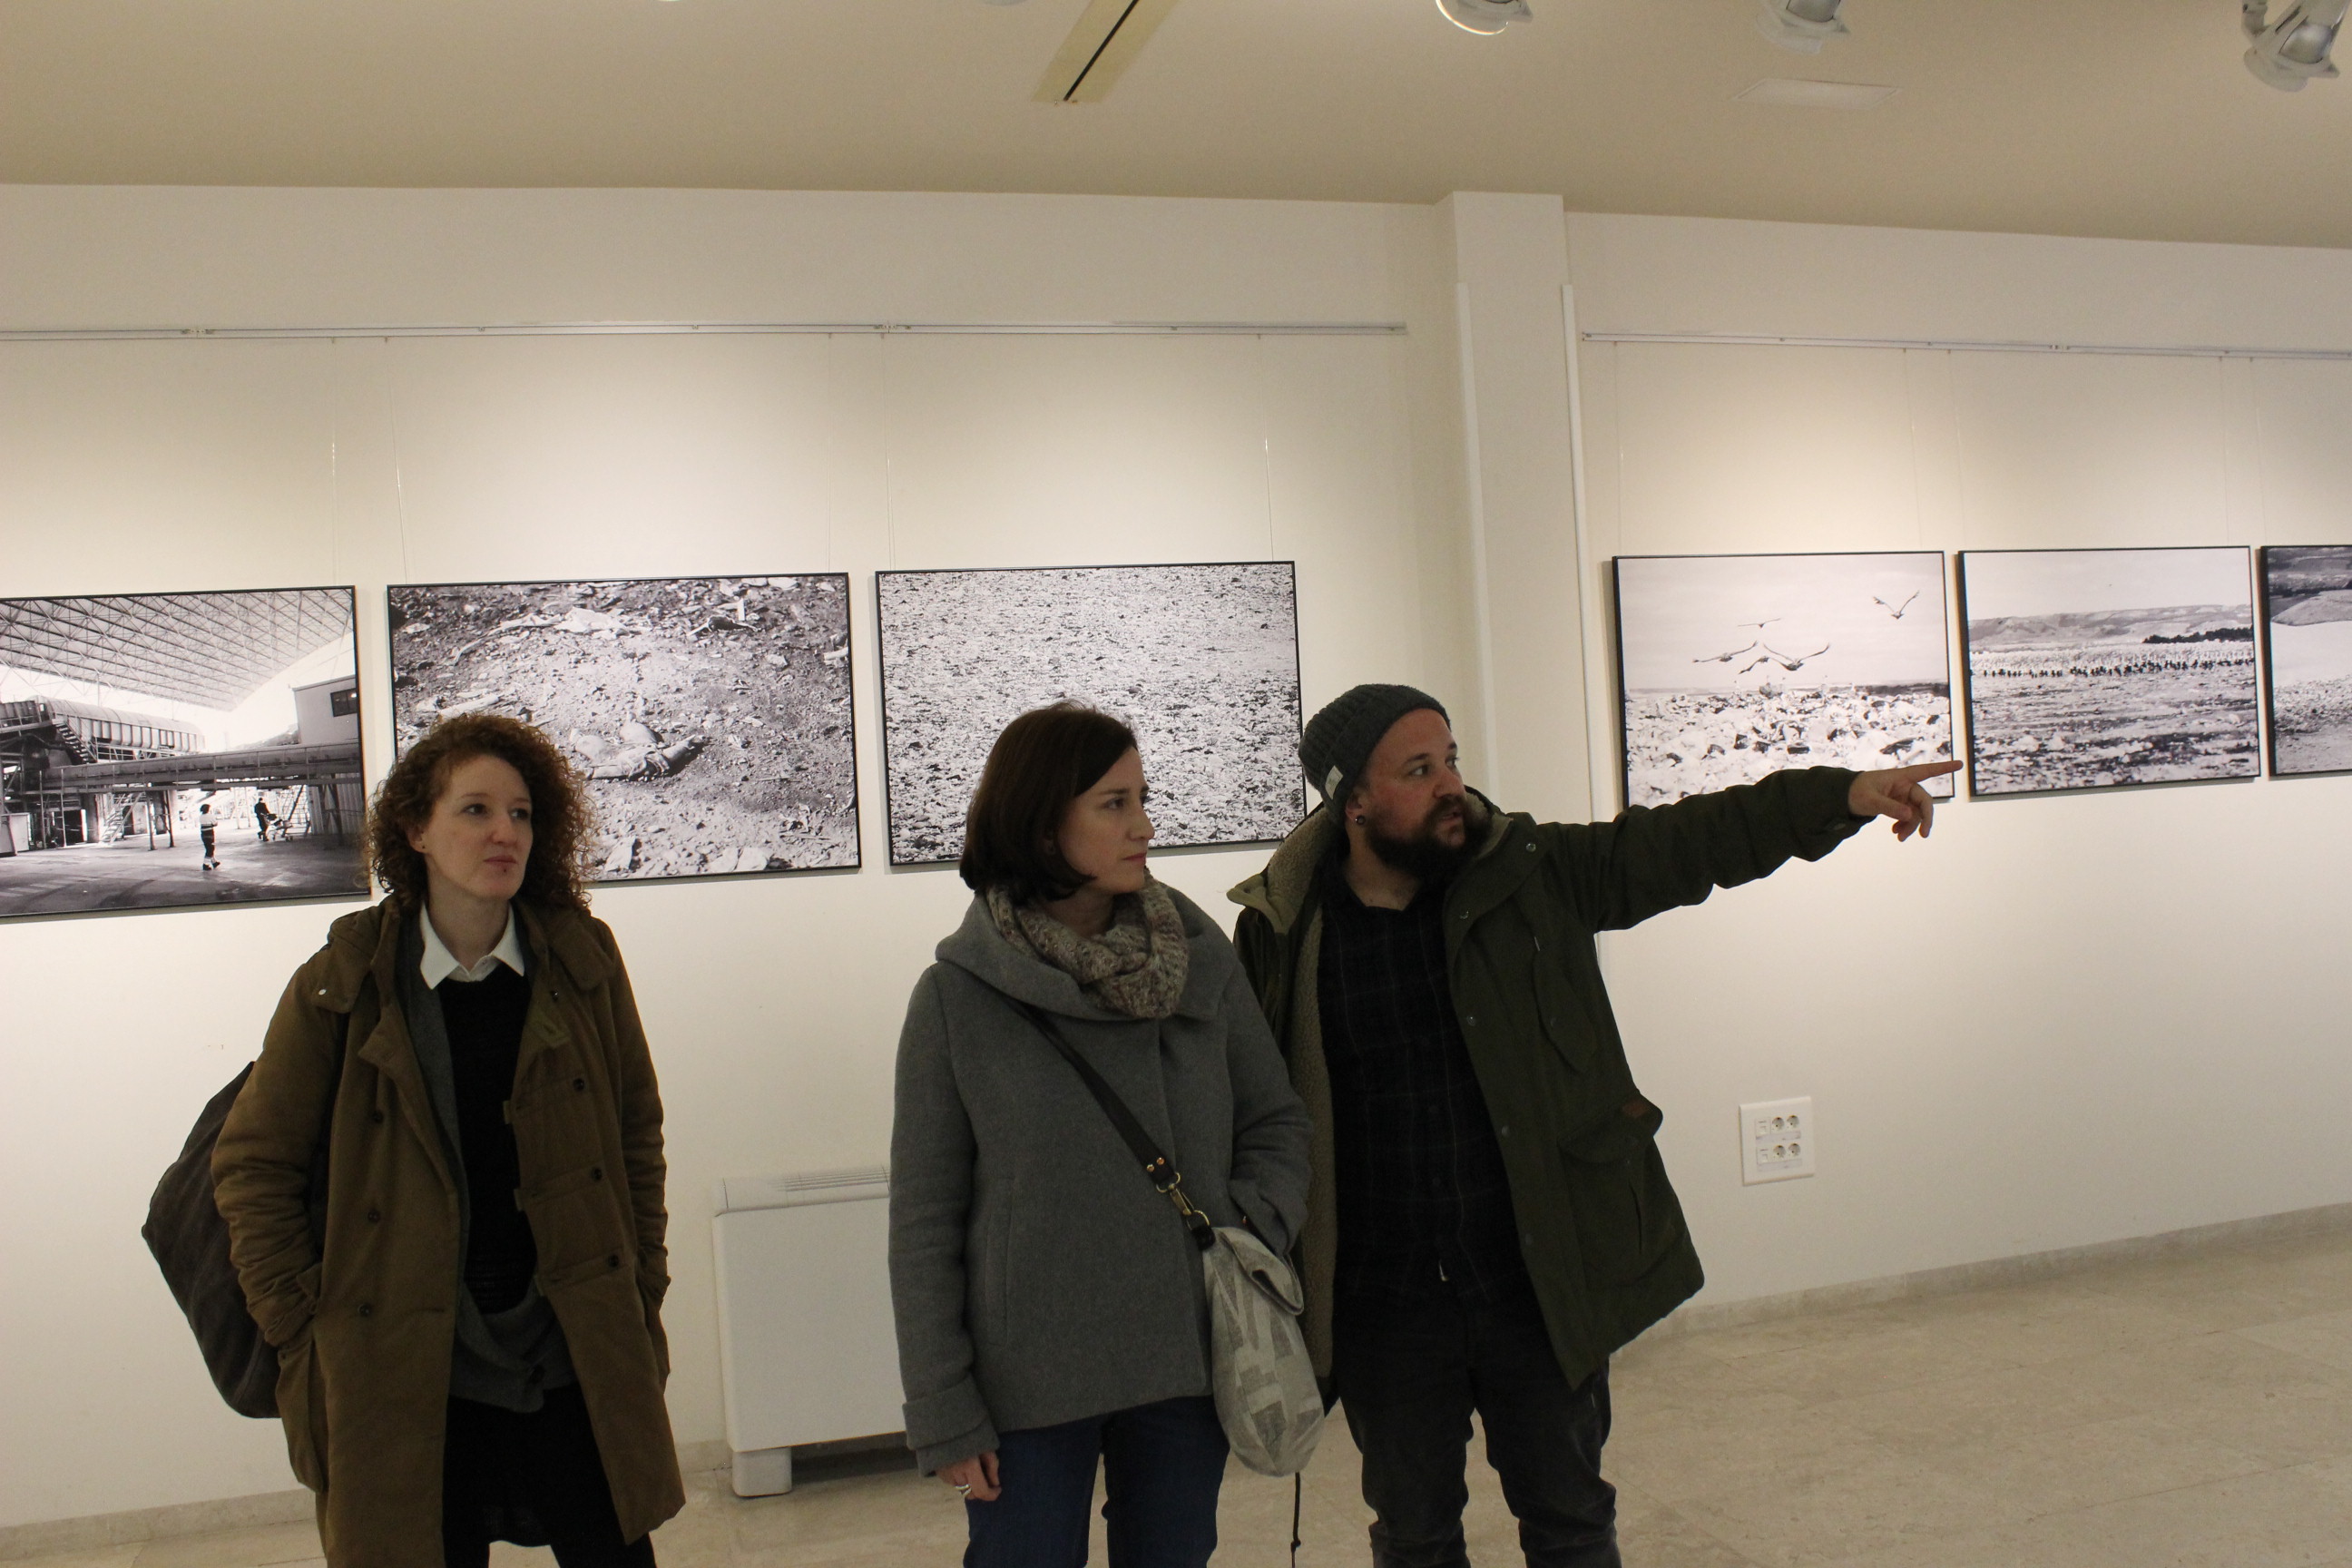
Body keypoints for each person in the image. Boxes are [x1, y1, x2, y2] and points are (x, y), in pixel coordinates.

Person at [1230, 685, 1958, 1568]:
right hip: (1386, 1306)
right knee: (1415, 1537)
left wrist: (1836, 796)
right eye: (1418, 770)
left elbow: (1686, 843)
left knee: (1570, 1522)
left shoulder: (1528, 873)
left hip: (1533, 1279)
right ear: (1353, 802)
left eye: (1451, 758)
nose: (1451, 784)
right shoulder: (1284, 931)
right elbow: (1257, 1103)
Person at [213, 713, 683, 1568]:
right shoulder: (342, 982)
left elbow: (634, 1133)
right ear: (415, 830)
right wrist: (303, 1326)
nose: (506, 832)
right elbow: (253, 1166)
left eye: (522, 813)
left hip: (570, 1346)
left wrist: (641, 1280)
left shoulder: (582, 959)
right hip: (408, 1364)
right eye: (476, 810)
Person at [889, 701, 1312, 1568]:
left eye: (1143, 799)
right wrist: (944, 1409)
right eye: (1114, 804)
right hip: (1028, 1382)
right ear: (1043, 824)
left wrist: (1247, 1224)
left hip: (1185, 1356)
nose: (1144, 825)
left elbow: (1275, 1118)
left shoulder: (1197, 957)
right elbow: (924, 1223)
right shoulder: (958, 997)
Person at [198, 800, 220, 868]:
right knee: (211, 849)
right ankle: (205, 864)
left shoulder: (200, 816)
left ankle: (214, 862)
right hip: (210, 834)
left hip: (203, 834)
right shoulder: (210, 816)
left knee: (208, 847)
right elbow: (215, 824)